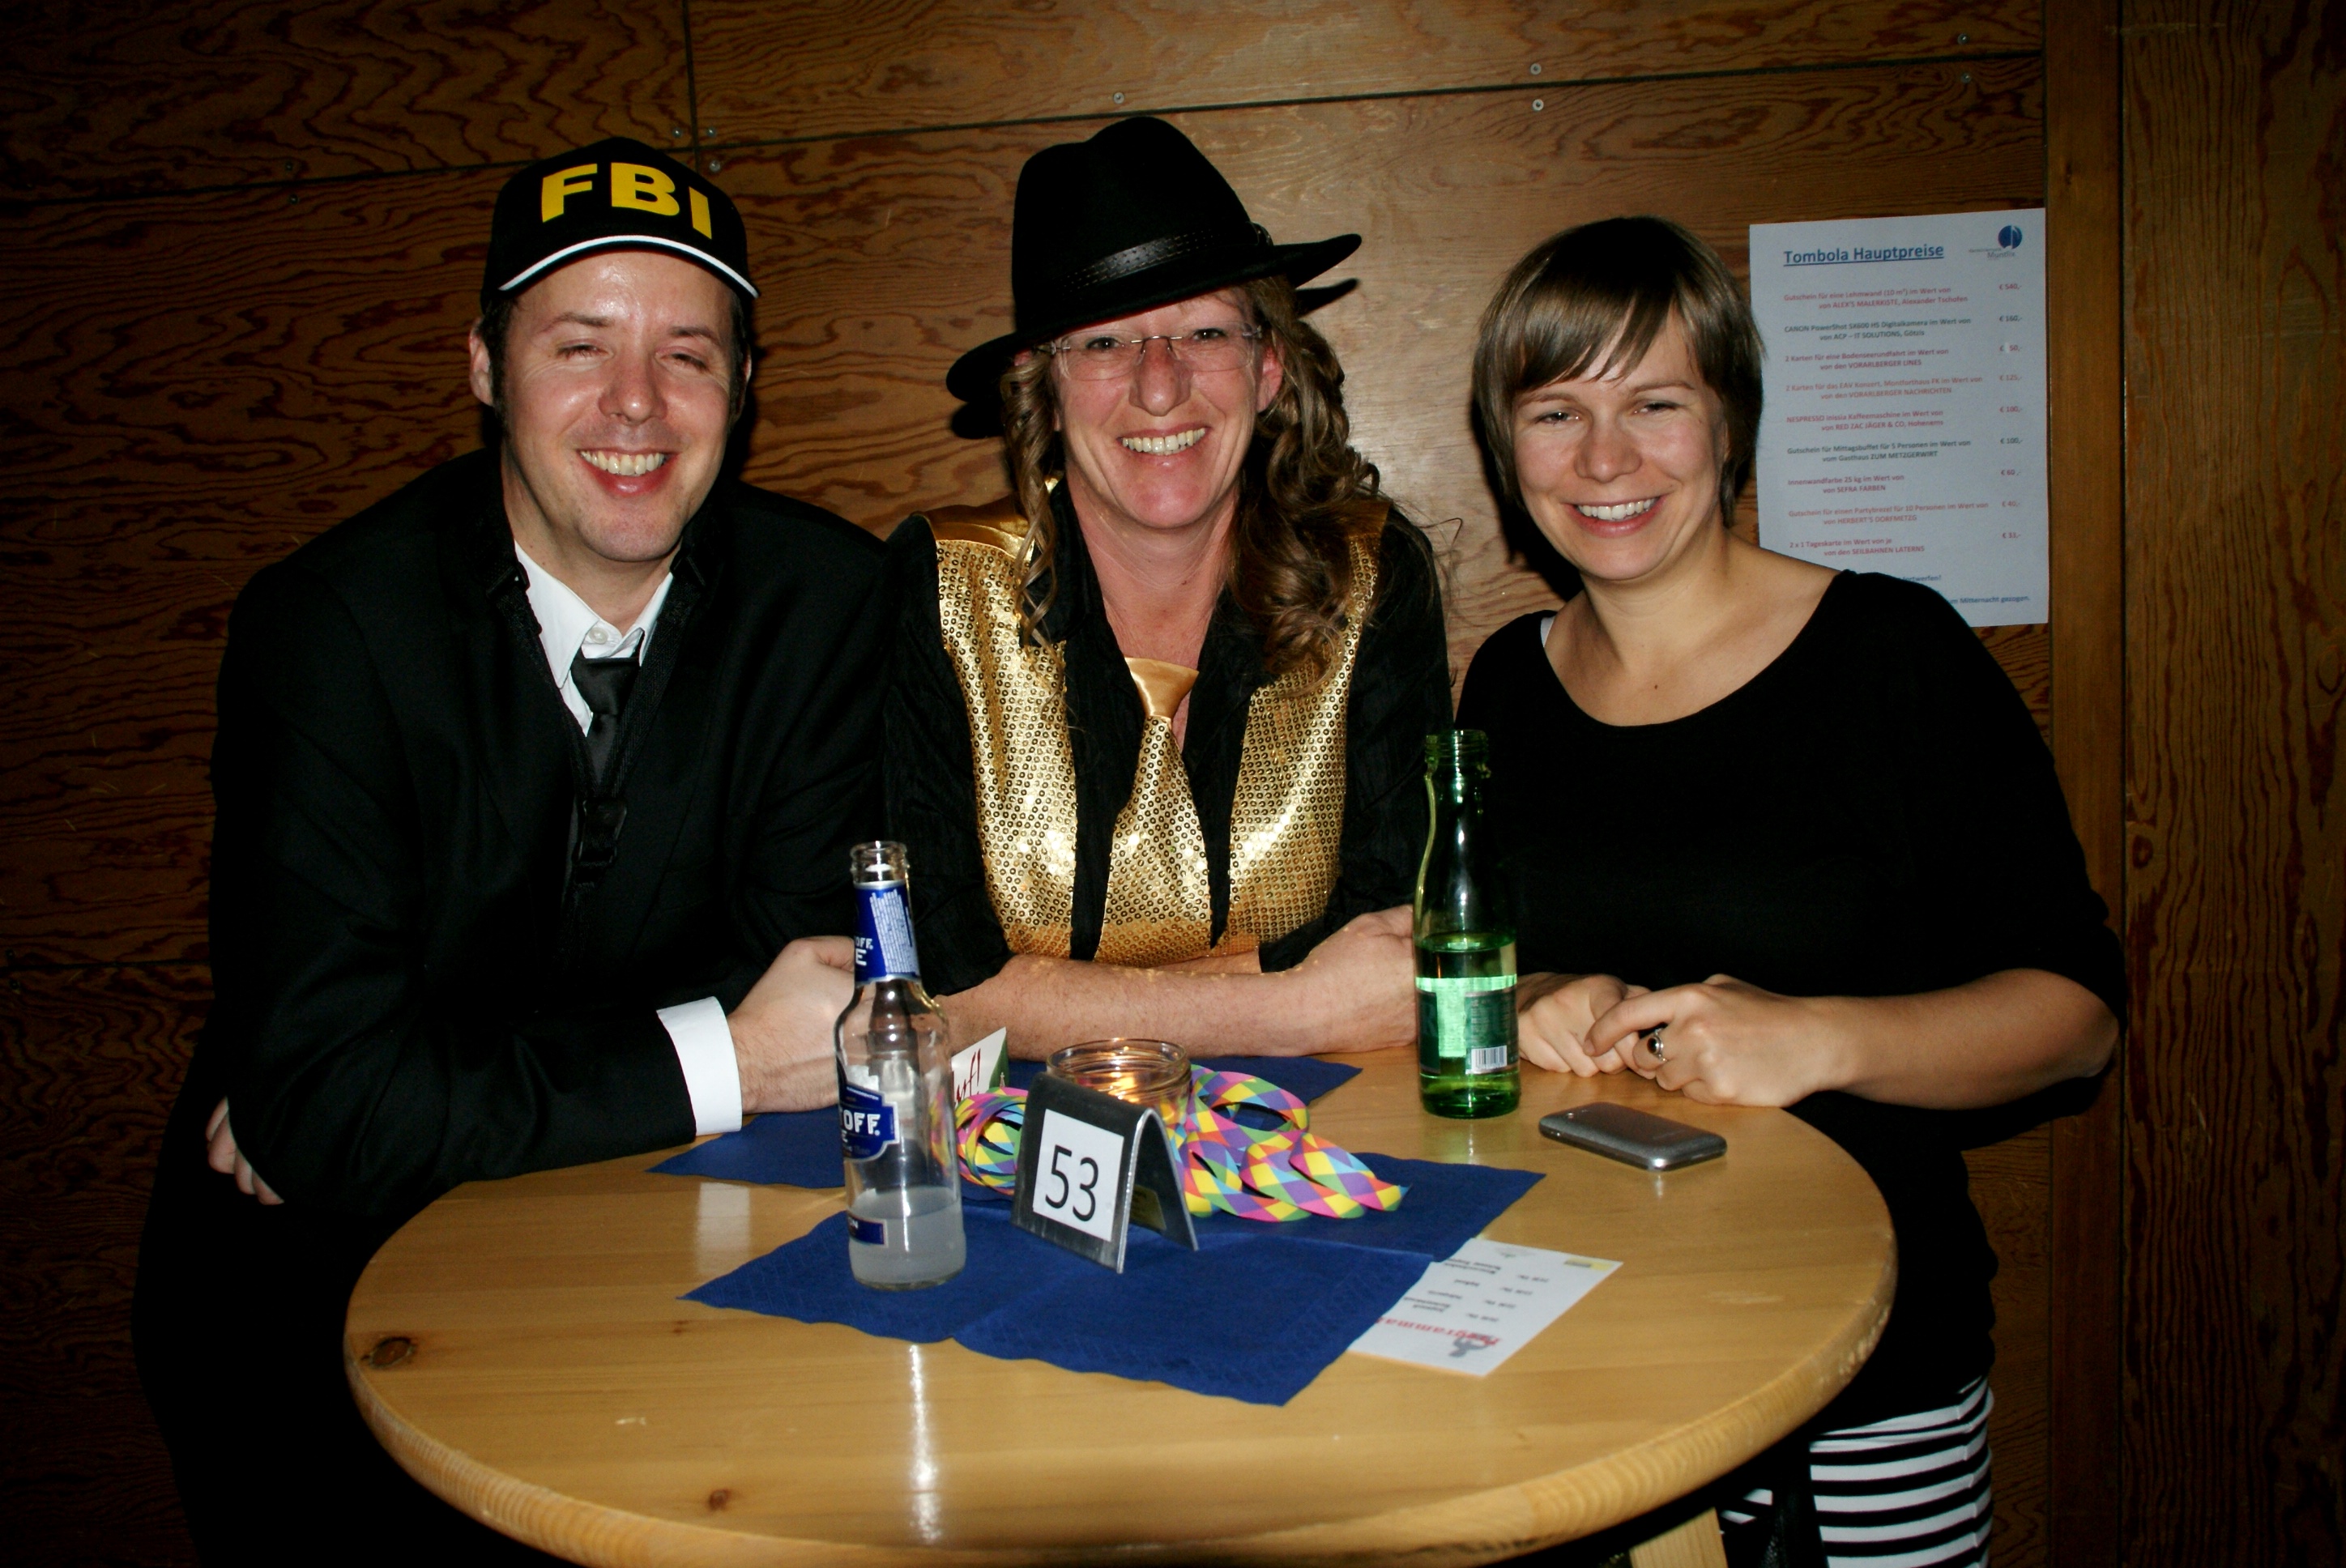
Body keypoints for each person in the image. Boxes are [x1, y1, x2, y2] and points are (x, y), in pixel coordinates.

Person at [133, 139, 884, 1562]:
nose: (635, 404)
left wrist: (391, 1097)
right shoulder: (330, 629)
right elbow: (332, 1105)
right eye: (578, 346)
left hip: (661, 1285)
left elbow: (801, 992)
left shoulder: (831, 605)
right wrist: (721, 1058)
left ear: (743, 385)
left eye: (688, 355)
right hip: (317, 1332)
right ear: (485, 365)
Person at [1455, 217, 2123, 1568]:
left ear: (1729, 424)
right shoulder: (1504, 687)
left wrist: (1817, 1038)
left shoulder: (1892, 650)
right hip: (1574, 1362)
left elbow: (2077, 1019)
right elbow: (1474, 973)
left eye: (1656, 404)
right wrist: (1532, 994)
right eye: (1556, 412)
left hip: (1860, 1379)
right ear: (1506, 446)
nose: (1604, 459)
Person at [885, 117, 1450, 1059]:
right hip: (1017, 1134)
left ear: (1267, 366)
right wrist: (1292, 1008)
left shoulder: (1372, 577)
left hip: (1331, 1116)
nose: (1159, 387)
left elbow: (1389, 937)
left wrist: (1048, 1001)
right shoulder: (940, 586)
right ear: (1041, 386)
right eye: (1105, 342)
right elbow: (936, 978)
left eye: (1204, 331)